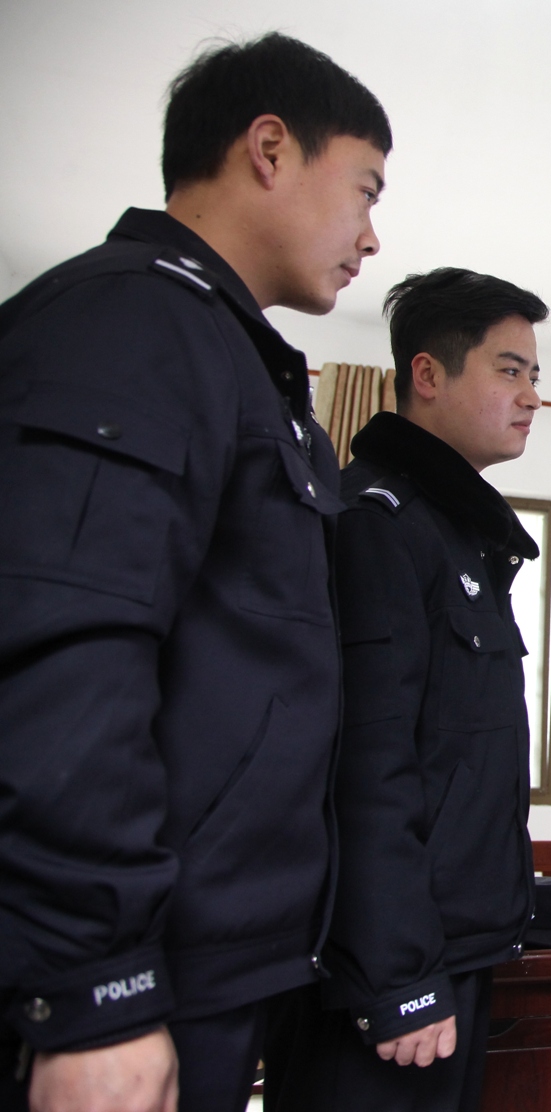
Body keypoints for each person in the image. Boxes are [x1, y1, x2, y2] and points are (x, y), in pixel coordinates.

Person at [0, 33, 390, 1112]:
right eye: (364, 190)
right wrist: (94, 986)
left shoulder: (241, 364)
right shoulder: (130, 319)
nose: (372, 235)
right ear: (270, 148)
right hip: (126, 977)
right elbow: (66, 656)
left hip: (211, 961)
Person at [265, 269, 547, 1111]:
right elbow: (362, 767)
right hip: (390, 977)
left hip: (452, 951)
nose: (531, 396)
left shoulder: (457, 533)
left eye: (535, 376)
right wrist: (398, 976)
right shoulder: (375, 524)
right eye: (509, 370)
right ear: (427, 374)